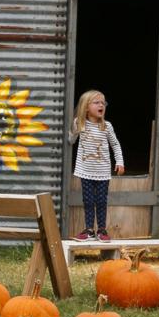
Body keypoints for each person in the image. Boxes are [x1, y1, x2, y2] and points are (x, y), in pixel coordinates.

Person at [70, 89, 124, 241]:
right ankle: (89, 230)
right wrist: (71, 133)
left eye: (103, 103)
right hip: (85, 171)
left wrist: (120, 162)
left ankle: (101, 230)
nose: (101, 105)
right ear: (86, 107)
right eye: (97, 102)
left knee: (101, 201)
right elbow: (71, 140)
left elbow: (115, 144)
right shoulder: (79, 123)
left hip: (102, 173)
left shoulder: (106, 126)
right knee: (88, 201)